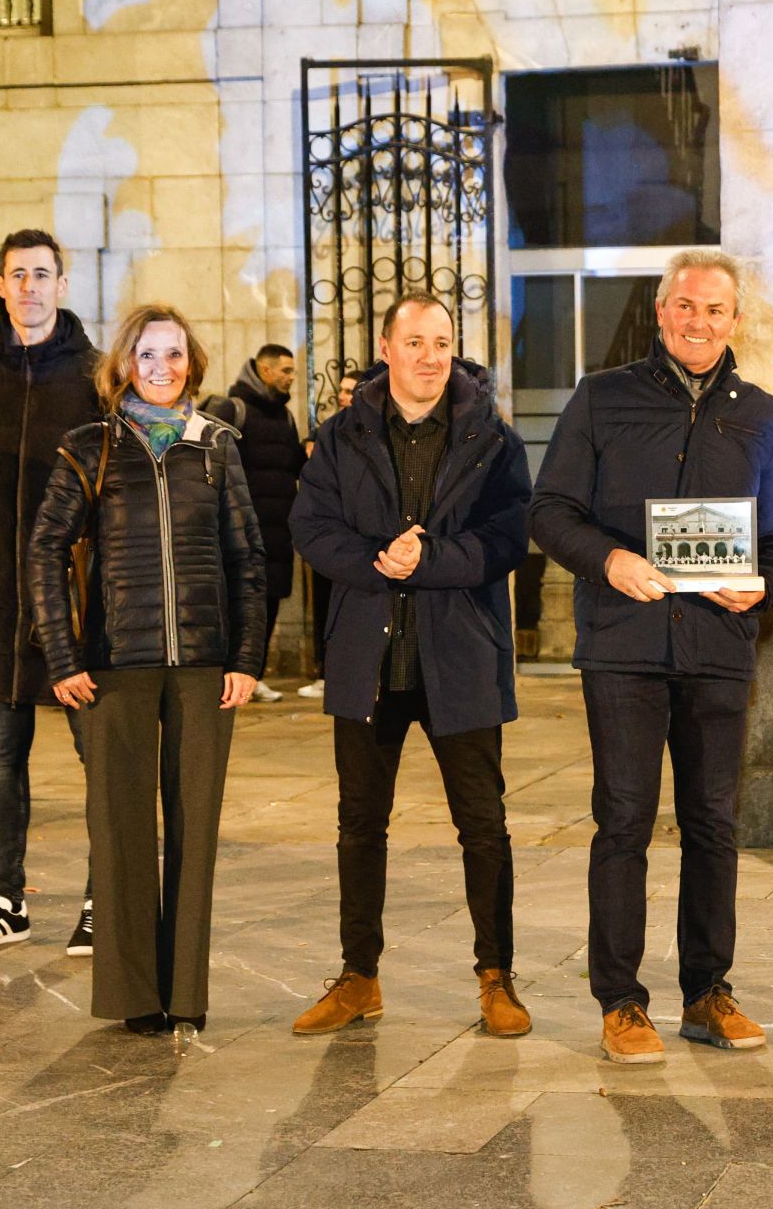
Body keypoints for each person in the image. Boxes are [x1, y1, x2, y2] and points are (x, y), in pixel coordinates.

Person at [530, 248, 773, 1064]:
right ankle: (620, 1001)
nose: (699, 322)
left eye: (715, 310)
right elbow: (549, 510)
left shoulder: (761, 414)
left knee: (715, 824)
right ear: (659, 310)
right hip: (624, 646)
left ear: (736, 321)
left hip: (719, 649)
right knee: (624, 820)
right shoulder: (602, 398)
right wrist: (610, 561)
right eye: (685, 306)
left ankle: (708, 991)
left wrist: (764, 586)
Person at [287, 293, 534, 1038]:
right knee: (359, 824)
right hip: (370, 656)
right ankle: (359, 976)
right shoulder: (342, 435)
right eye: (415, 341)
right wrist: (374, 560)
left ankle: (497, 977)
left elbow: (511, 535)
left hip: (462, 656)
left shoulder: (493, 437)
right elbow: (309, 526)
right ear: (387, 349)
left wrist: (430, 559)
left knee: (482, 824)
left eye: (443, 342)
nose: (431, 356)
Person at [27, 303, 267, 1034]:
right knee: (122, 832)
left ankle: (185, 993)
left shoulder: (218, 446)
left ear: (191, 361)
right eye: (146, 355)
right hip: (113, 667)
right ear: (124, 366)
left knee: (194, 832)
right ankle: (135, 997)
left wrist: (247, 659)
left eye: (173, 354)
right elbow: (43, 550)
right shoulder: (89, 446)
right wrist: (62, 656)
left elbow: (248, 560)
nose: (161, 368)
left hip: (203, 666)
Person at [0, 228, 102, 957]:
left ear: (62, 286)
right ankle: (5, 898)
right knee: (2, 755)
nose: (30, 286)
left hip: (71, 599)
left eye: (43, 274)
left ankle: (108, 898)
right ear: (0, 287)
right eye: (17, 275)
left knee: (96, 754)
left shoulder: (97, 376)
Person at [206, 343, 305, 703]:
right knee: (238, 601)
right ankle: (226, 672)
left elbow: (293, 466)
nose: (291, 377)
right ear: (265, 371)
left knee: (269, 601)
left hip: (277, 531)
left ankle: (253, 673)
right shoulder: (233, 409)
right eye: (286, 371)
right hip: (240, 529)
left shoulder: (286, 417)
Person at [301, 369, 359, 701]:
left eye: (351, 390)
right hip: (330, 538)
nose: (343, 395)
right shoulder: (329, 431)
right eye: (342, 389)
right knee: (324, 605)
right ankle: (326, 670)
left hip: (353, 541)